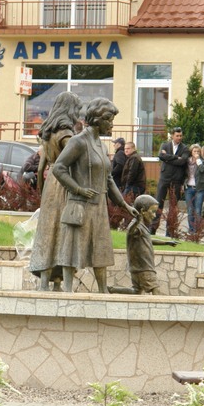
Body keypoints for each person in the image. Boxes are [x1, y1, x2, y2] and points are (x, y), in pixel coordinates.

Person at [53, 97, 138, 293]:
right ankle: (67, 291)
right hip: (80, 205)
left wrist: (124, 205)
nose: (112, 125)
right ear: (99, 120)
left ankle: (102, 290)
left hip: (99, 207)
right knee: (72, 249)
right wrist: (78, 189)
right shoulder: (78, 142)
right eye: (110, 120)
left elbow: (108, 179)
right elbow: (59, 168)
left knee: (101, 250)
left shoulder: (101, 145)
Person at [29, 91, 82, 291]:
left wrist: (41, 194)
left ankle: (45, 280)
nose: (78, 113)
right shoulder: (66, 134)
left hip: (50, 184)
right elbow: (74, 161)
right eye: (77, 109)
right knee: (63, 231)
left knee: (47, 231)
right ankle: (60, 281)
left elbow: (40, 168)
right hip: (64, 182)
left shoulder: (48, 133)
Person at [108, 195, 177, 295]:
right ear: (142, 211)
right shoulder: (136, 226)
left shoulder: (141, 226)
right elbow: (132, 231)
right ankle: (160, 308)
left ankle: (112, 290)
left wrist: (166, 242)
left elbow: (148, 239)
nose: (154, 215)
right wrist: (138, 219)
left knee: (136, 292)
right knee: (156, 292)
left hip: (138, 268)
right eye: (152, 211)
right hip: (144, 268)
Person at [149, 127, 189, 234]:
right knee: (158, 203)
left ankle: (170, 230)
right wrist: (176, 157)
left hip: (177, 180)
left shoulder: (185, 148)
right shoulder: (165, 145)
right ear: (172, 136)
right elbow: (161, 156)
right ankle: (152, 228)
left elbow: (182, 161)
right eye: (177, 136)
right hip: (164, 178)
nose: (179, 137)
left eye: (181, 136)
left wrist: (167, 158)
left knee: (173, 206)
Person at [184, 144, 204, 232]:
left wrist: (198, 160)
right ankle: (191, 230)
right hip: (189, 188)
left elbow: (202, 170)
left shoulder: (202, 161)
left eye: (198, 151)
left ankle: (197, 230)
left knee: (198, 210)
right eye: (194, 151)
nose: (196, 153)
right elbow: (183, 173)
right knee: (190, 210)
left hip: (199, 188)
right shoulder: (187, 161)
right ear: (191, 152)